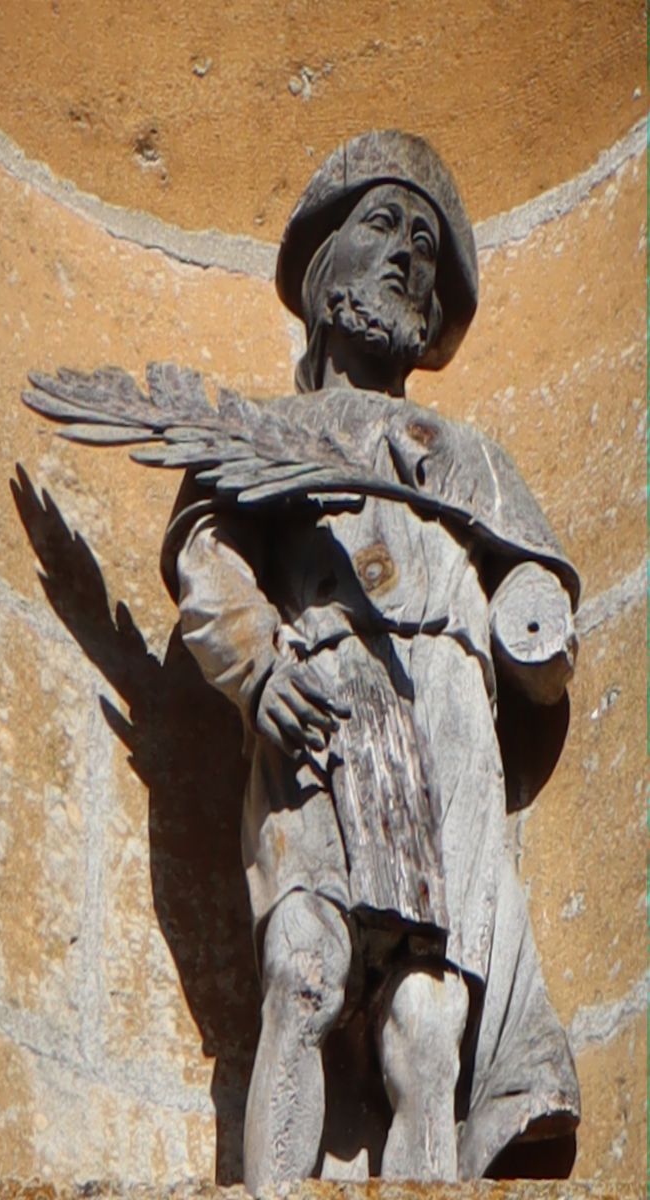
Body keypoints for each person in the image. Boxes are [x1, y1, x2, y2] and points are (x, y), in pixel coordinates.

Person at [161, 131, 581, 1187]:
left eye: (426, 246)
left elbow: (529, 584)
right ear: (322, 267)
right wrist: (258, 666)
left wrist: (530, 620)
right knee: (303, 969)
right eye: (381, 226)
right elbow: (206, 559)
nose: (405, 257)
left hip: (445, 699)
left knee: (430, 1009)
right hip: (323, 685)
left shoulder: (472, 456)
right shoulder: (263, 427)